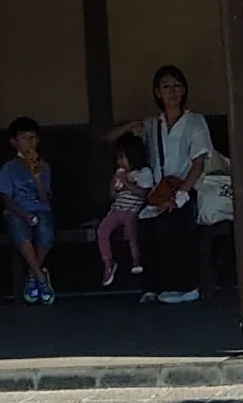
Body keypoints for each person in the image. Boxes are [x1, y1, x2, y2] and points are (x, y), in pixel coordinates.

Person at [137, 64, 217, 305]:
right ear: (157, 93)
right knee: (145, 224)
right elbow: (111, 139)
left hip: (187, 189)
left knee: (177, 223)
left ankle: (187, 286)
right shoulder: (152, 125)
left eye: (176, 86)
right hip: (158, 192)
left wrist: (181, 195)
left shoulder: (195, 121)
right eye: (165, 87)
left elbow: (199, 161)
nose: (172, 92)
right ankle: (153, 287)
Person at [0, 117, 58, 306]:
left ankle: (33, 275)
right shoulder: (9, 168)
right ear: (14, 142)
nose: (29, 142)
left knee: (46, 231)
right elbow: (7, 200)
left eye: (33, 137)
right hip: (18, 211)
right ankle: (40, 278)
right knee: (19, 229)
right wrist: (24, 214)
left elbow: (45, 198)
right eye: (24, 138)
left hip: (41, 210)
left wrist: (36, 174)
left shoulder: (44, 167)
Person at [91, 129, 154, 289]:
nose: (120, 162)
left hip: (132, 211)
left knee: (131, 230)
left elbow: (143, 193)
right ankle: (108, 262)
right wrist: (114, 183)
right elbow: (112, 196)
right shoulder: (118, 174)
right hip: (116, 209)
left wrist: (127, 183)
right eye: (118, 158)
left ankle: (136, 260)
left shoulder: (143, 173)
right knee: (102, 231)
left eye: (122, 157)